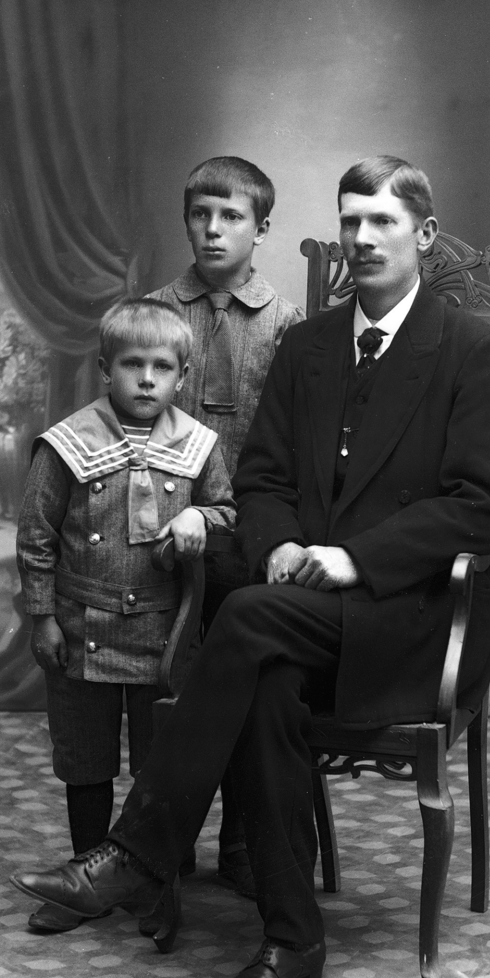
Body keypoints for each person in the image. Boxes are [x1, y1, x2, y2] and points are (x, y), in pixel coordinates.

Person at [10, 156, 490, 978]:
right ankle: (293, 941)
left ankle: (136, 853)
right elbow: (263, 478)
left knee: (247, 620)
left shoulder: (474, 350)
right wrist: (281, 541)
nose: (362, 238)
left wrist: (355, 560)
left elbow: (486, 509)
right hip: (303, 616)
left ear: (425, 235)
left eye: (383, 221)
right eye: (350, 220)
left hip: (416, 620)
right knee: (266, 676)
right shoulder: (309, 345)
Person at [15, 298, 234, 934]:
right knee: (85, 761)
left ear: (181, 378)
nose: (146, 379)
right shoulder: (67, 445)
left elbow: (229, 512)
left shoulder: (198, 447)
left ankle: (152, 879)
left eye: (161, 367)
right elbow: (36, 538)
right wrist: (42, 618)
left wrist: (199, 514)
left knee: (157, 763)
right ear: (105, 368)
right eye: (132, 364)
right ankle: (83, 882)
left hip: (164, 635)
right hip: (79, 628)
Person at [147, 156, 304, 899]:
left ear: (261, 230)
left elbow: (294, 440)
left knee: (248, 677)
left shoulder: (285, 322)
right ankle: (166, 841)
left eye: (232, 217)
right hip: (163, 532)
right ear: (186, 220)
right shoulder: (155, 312)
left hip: (249, 533)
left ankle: (242, 842)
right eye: (200, 215)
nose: (213, 230)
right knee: (166, 680)